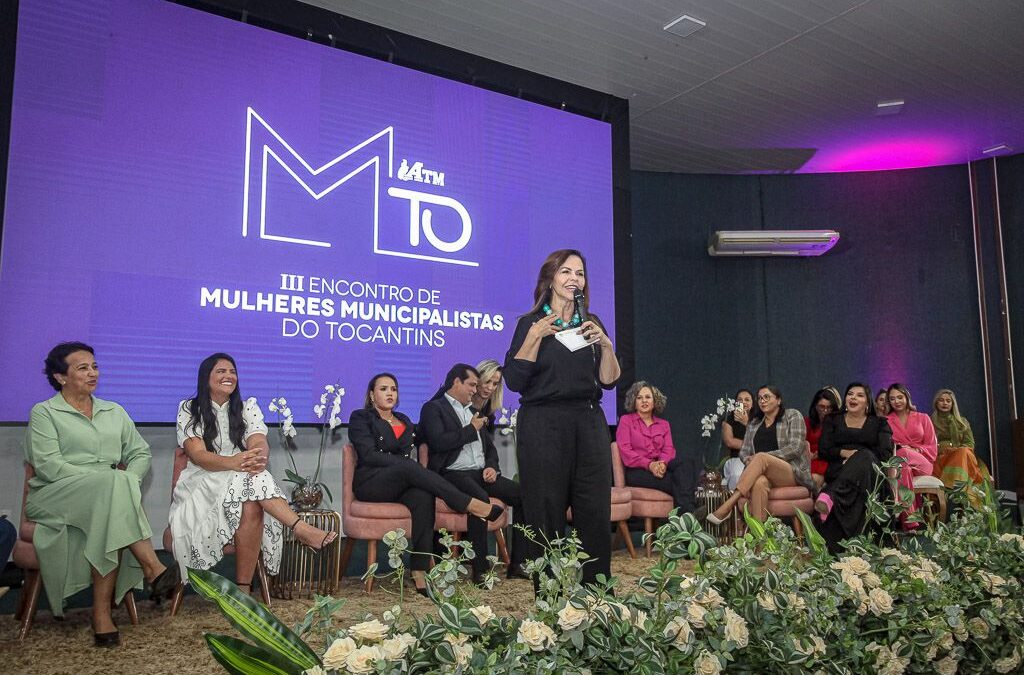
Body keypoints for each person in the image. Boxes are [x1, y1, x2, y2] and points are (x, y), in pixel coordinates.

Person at [24, 342, 177, 647]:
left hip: (107, 497)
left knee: (112, 496)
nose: (92, 373)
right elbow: (49, 467)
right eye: (82, 368)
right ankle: (152, 567)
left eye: (94, 366)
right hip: (55, 495)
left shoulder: (114, 411)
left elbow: (140, 453)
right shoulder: (44, 412)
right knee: (112, 487)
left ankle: (102, 614)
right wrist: (108, 482)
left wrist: (126, 482)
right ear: (60, 376)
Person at [169, 353, 336, 597]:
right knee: (254, 480)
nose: (229, 376)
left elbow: (258, 441)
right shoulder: (189, 408)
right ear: (206, 377)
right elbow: (197, 455)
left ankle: (244, 589)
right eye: (221, 371)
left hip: (242, 478)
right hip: (203, 481)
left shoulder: (248, 407)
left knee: (251, 502)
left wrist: (256, 457)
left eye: (232, 371)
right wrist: (233, 462)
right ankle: (299, 527)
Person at [503, 249, 620, 585]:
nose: (574, 279)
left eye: (579, 273)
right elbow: (514, 381)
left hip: (588, 422)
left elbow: (610, 380)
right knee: (545, 512)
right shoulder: (530, 323)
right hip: (543, 424)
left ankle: (597, 594)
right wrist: (536, 336)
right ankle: (550, 601)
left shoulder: (591, 323)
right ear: (551, 279)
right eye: (566, 272)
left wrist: (608, 347)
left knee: (595, 511)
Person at [348, 373, 503, 594]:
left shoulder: (404, 420)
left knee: (423, 495)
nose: (390, 393)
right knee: (408, 466)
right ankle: (467, 503)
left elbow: (429, 434)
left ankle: (419, 568)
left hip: (400, 484)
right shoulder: (361, 418)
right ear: (372, 395)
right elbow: (368, 455)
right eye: (383, 389)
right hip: (371, 483)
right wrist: (402, 464)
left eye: (393, 389)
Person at [419, 364, 528, 583]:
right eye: (472, 385)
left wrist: (491, 466)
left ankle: (517, 563)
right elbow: (439, 443)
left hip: (480, 472)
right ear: (456, 382)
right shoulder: (434, 408)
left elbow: (490, 449)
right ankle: (480, 570)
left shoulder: (474, 411)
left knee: (523, 495)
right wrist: (471, 429)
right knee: (479, 499)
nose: (475, 389)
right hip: (451, 473)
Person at [707, 385, 811, 524]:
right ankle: (760, 541)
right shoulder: (755, 423)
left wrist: (763, 457)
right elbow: (744, 451)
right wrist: (750, 461)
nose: (762, 401)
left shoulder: (792, 415)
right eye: (760, 398)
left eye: (767, 397)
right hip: (763, 473)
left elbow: (796, 447)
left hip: (790, 472)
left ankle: (730, 503)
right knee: (758, 483)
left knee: (761, 457)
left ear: (778, 400)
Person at [814, 383, 893, 553]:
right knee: (860, 457)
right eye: (850, 394)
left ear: (867, 402)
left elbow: (884, 454)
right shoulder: (833, 420)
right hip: (839, 470)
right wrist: (845, 453)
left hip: (870, 475)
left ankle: (830, 496)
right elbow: (824, 450)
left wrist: (857, 458)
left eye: (859, 395)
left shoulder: (879, 423)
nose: (853, 398)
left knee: (864, 455)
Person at [616, 381, 696, 513]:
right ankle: (688, 515)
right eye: (639, 397)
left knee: (686, 463)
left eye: (648, 397)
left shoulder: (664, 424)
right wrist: (650, 465)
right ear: (634, 402)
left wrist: (662, 464)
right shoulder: (626, 421)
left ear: (654, 401)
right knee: (681, 481)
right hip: (637, 471)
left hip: (660, 466)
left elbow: (669, 449)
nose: (644, 401)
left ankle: (685, 516)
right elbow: (626, 452)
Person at [886, 383, 937, 526]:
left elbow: (932, 447)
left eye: (900, 397)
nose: (896, 401)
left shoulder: (923, 417)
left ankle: (898, 507)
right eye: (892, 399)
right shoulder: (886, 421)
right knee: (904, 468)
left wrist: (916, 450)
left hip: (923, 463)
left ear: (907, 397)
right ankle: (910, 522)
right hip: (900, 465)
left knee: (902, 454)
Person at [931, 388, 988, 488]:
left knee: (963, 452)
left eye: (948, 401)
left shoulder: (962, 422)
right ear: (936, 403)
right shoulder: (929, 421)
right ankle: (956, 491)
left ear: (953, 404)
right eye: (941, 400)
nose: (945, 403)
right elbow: (928, 444)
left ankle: (956, 491)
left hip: (962, 455)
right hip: (940, 457)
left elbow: (970, 444)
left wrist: (956, 451)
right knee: (962, 454)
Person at [805, 388, 841, 488]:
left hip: (825, 460)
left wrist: (820, 454)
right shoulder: (806, 422)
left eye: (829, 408)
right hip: (806, 459)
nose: (825, 411)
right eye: (822, 407)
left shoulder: (837, 425)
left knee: (815, 478)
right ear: (815, 407)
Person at [721, 389, 753, 490]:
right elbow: (730, 442)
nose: (743, 402)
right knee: (737, 475)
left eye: (747, 400)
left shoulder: (759, 420)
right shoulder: (728, 420)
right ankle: (736, 504)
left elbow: (764, 440)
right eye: (740, 400)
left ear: (752, 403)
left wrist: (746, 423)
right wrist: (754, 445)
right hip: (737, 458)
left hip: (757, 458)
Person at [471, 359, 504, 425]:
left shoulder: (489, 408)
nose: (490, 387)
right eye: (487, 381)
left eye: (495, 384)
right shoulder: (461, 402)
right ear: (477, 379)